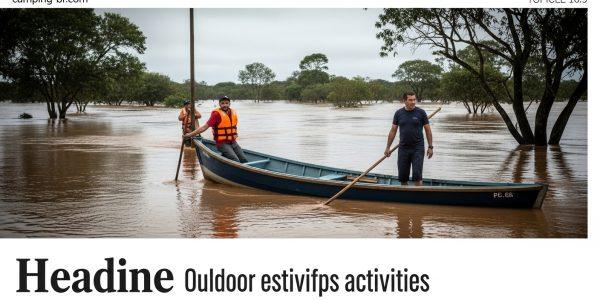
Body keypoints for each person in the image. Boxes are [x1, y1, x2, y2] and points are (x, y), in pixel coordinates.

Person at [384, 91, 433, 185]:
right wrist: (388, 147)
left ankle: (418, 197)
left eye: (414, 99)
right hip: (403, 148)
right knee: (403, 177)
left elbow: (428, 131)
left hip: (417, 148)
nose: (413, 102)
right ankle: (405, 196)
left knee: (417, 176)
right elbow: (393, 131)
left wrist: (430, 147)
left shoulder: (421, 113)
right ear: (404, 101)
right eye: (410, 100)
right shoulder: (398, 113)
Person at [183, 95, 248, 163]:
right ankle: (224, 159)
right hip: (222, 143)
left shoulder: (233, 112)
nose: (225, 105)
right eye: (222, 103)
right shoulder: (216, 114)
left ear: (229, 104)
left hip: (233, 142)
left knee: (244, 160)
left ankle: (224, 156)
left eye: (226, 103)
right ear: (219, 104)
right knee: (235, 160)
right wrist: (189, 135)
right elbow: (204, 127)